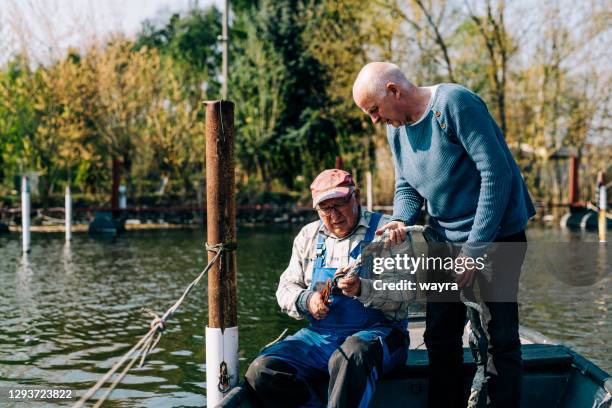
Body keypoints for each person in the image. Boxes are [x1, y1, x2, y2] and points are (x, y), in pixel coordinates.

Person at [352, 62, 535, 408]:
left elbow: (496, 175)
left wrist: (473, 250)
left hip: (496, 235)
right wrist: (400, 219)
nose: (374, 120)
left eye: (374, 110)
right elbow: (407, 186)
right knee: (440, 335)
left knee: (499, 338)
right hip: (443, 238)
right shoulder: (397, 130)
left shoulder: (454, 105)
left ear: (393, 90)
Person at [245, 169, 414, 408]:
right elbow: (285, 288)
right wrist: (308, 300)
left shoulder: (388, 232)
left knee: (350, 356)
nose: (334, 215)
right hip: (320, 338)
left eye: (340, 204)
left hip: (380, 334)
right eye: (326, 208)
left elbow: (406, 294)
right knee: (262, 370)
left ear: (355, 197)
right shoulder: (308, 236)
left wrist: (362, 289)